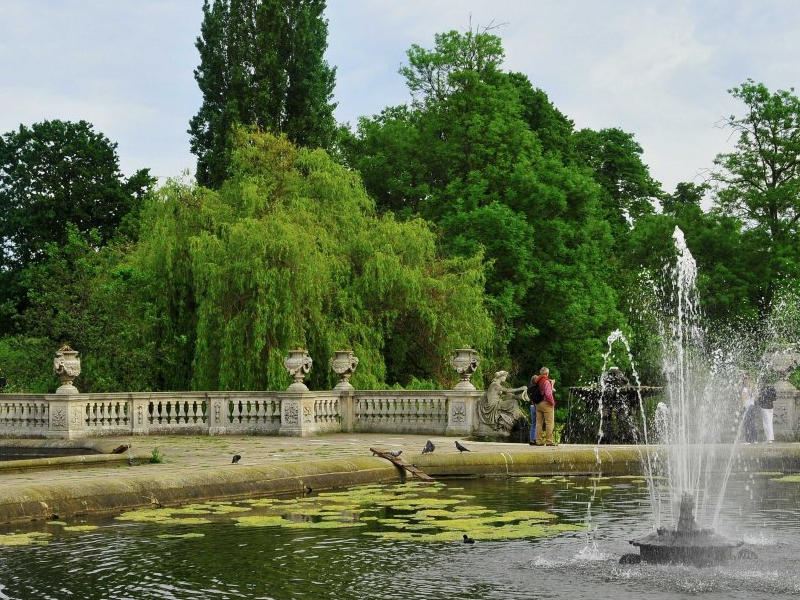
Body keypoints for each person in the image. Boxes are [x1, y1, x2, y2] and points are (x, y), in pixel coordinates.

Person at [532, 367, 557, 446]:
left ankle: (538, 441)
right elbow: (548, 394)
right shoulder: (546, 381)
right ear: (547, 373)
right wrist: (553, 403)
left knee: (539, 423)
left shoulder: (536, 380)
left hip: (537, 403)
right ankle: (549, 441)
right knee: (549, 423)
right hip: (546, 404)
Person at [740, 374, 758, 444]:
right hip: (752, 407)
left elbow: (744, 398)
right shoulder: (754, 388)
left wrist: (741, 407)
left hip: (747, 407)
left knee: (747, 424)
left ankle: (748, 440)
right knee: (752, 423)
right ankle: (754, 440)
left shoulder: (745, 389)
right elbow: (756, 397)